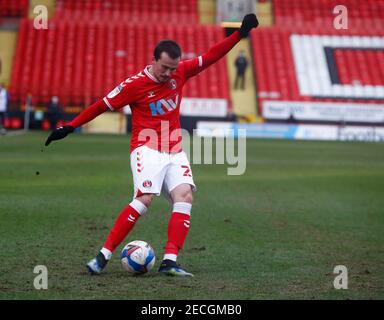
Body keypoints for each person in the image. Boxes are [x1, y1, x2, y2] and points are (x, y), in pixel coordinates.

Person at [45, 14, 259, 277]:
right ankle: (103, 255)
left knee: (185, 196)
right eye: (165, 67)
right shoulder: (133, 85)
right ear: (154, 60)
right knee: (145, 199)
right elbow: (102, 104)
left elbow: (211, 55)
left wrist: (240, 34)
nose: (169, 73)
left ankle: (170, 261)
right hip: (146, 148)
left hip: (175, 149)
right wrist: (70, 125)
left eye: (173, 68)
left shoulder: (180, 72)